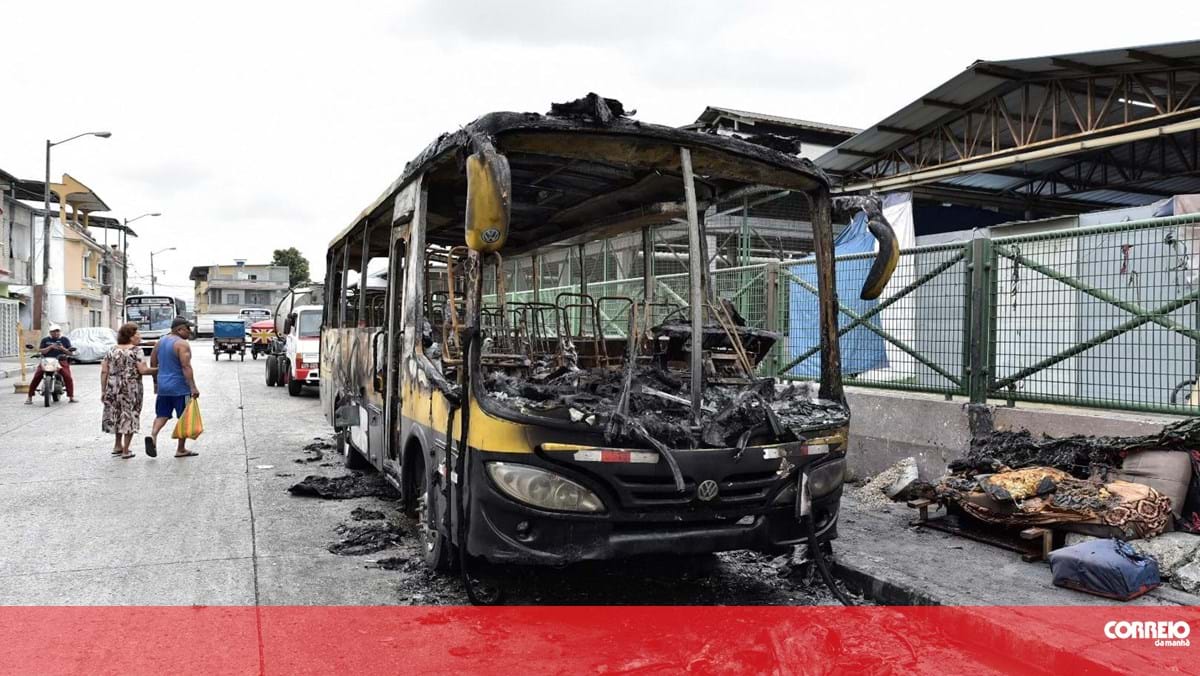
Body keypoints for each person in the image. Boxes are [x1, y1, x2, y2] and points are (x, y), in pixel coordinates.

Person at [145, 316, 200, 458]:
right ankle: (180, 449)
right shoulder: (182, 344)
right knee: (184, 417)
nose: (189, 332)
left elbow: (153, 361)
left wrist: (156, 382)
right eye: (188, 329)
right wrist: (193, 387)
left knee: (162, 414)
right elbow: (186, 366)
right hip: (180, 388)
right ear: (180, 329)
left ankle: (153, 435)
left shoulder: (160, 342)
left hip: (164, 387)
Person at [101, 323, 157, 459]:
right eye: (137, 334)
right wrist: (160, 369)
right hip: (131, 388)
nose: (140, 336)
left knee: (116, 414)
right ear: (131, 337)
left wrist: (103, 390)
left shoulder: (111, 350)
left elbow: (104, 371)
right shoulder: (136, 351)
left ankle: (117, 446)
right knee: (130, 416)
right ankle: (126, 450)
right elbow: (143, 370)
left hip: (113, 387)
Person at [25, 324, 77, 404]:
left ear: (60, 332)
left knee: (67, 377)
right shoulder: (45, 340)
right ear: (50, 332)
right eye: (53, 331)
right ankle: (29, 397)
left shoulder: (65, 340)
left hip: (60, 361)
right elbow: (41, 351)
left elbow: (70, 353)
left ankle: (71, 397)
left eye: (57, 331)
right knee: (37, 376)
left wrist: (62, 348)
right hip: (46, 361)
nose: (56, 333)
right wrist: (51, 347)